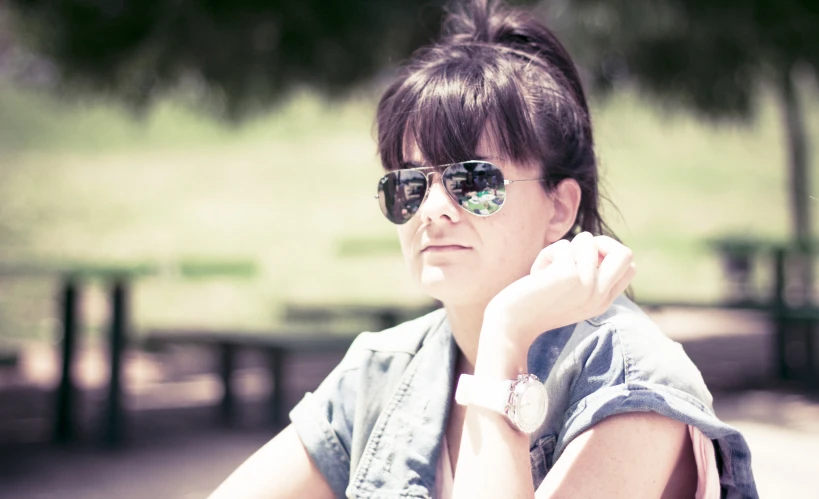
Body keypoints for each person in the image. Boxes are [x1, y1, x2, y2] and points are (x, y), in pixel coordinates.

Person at [209, 0, 757, 497]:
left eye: (474, 181)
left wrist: (505, 335)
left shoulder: (630, 373)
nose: (433, 208)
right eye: (410, 185)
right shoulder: (382, 370)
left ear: (560, 208)